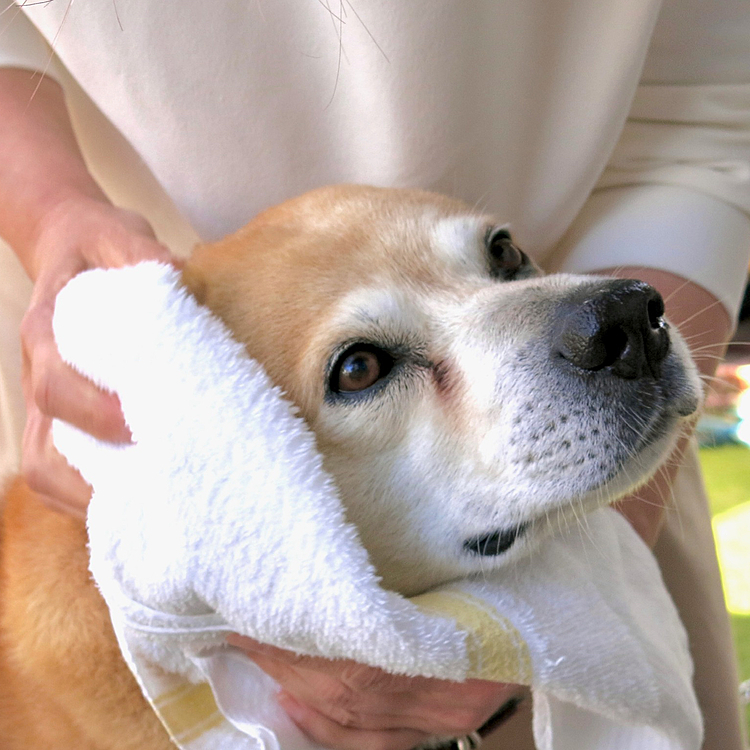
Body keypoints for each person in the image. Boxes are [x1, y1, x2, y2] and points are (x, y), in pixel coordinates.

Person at [0, 1, 748, 748]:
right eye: (364, 367)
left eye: (502, 261)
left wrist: (565, 613)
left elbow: (709, 107)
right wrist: (49, 208)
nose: (597, 318)